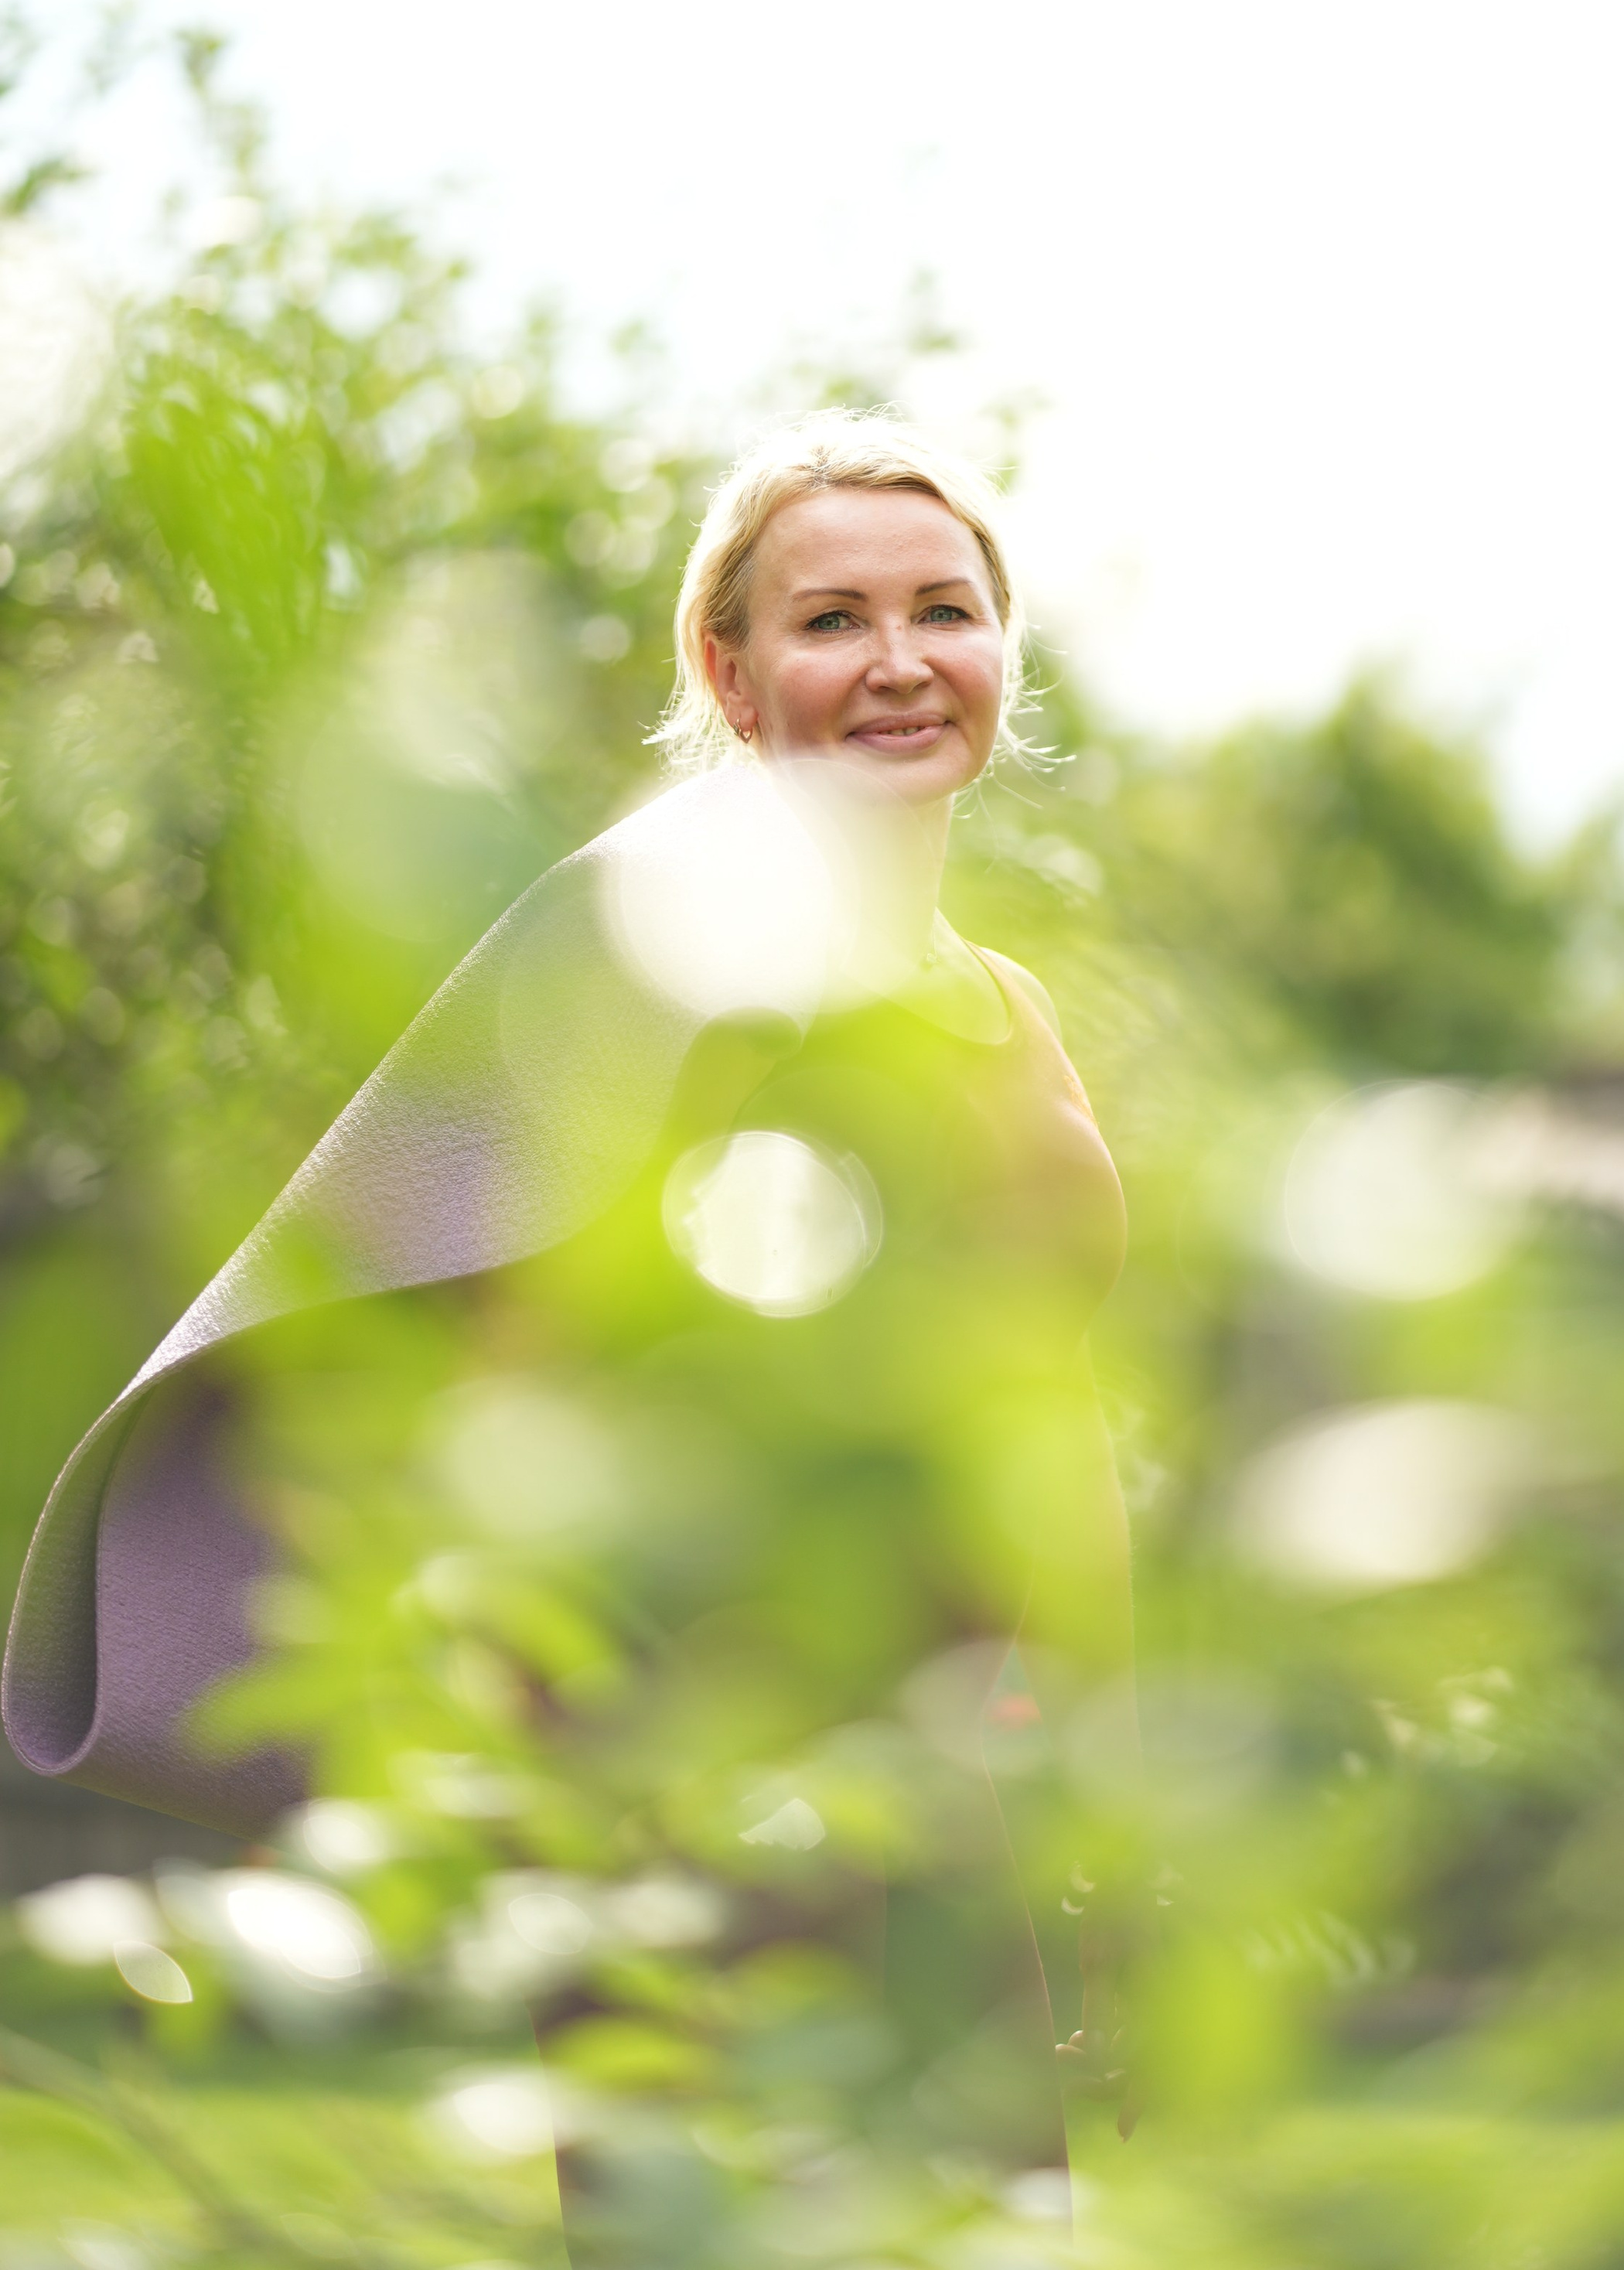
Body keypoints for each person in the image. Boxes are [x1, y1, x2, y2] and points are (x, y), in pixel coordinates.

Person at [2, 410, 1136, 2205]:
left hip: (958, 1754)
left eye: (945, 608)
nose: (901, 661)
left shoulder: (1005, 1000)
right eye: (831, 619)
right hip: (712, 1750)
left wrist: (1082, 1710)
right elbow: (493, 1324)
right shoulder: (655, 936)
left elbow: (1042, 1389)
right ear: (732, 666)